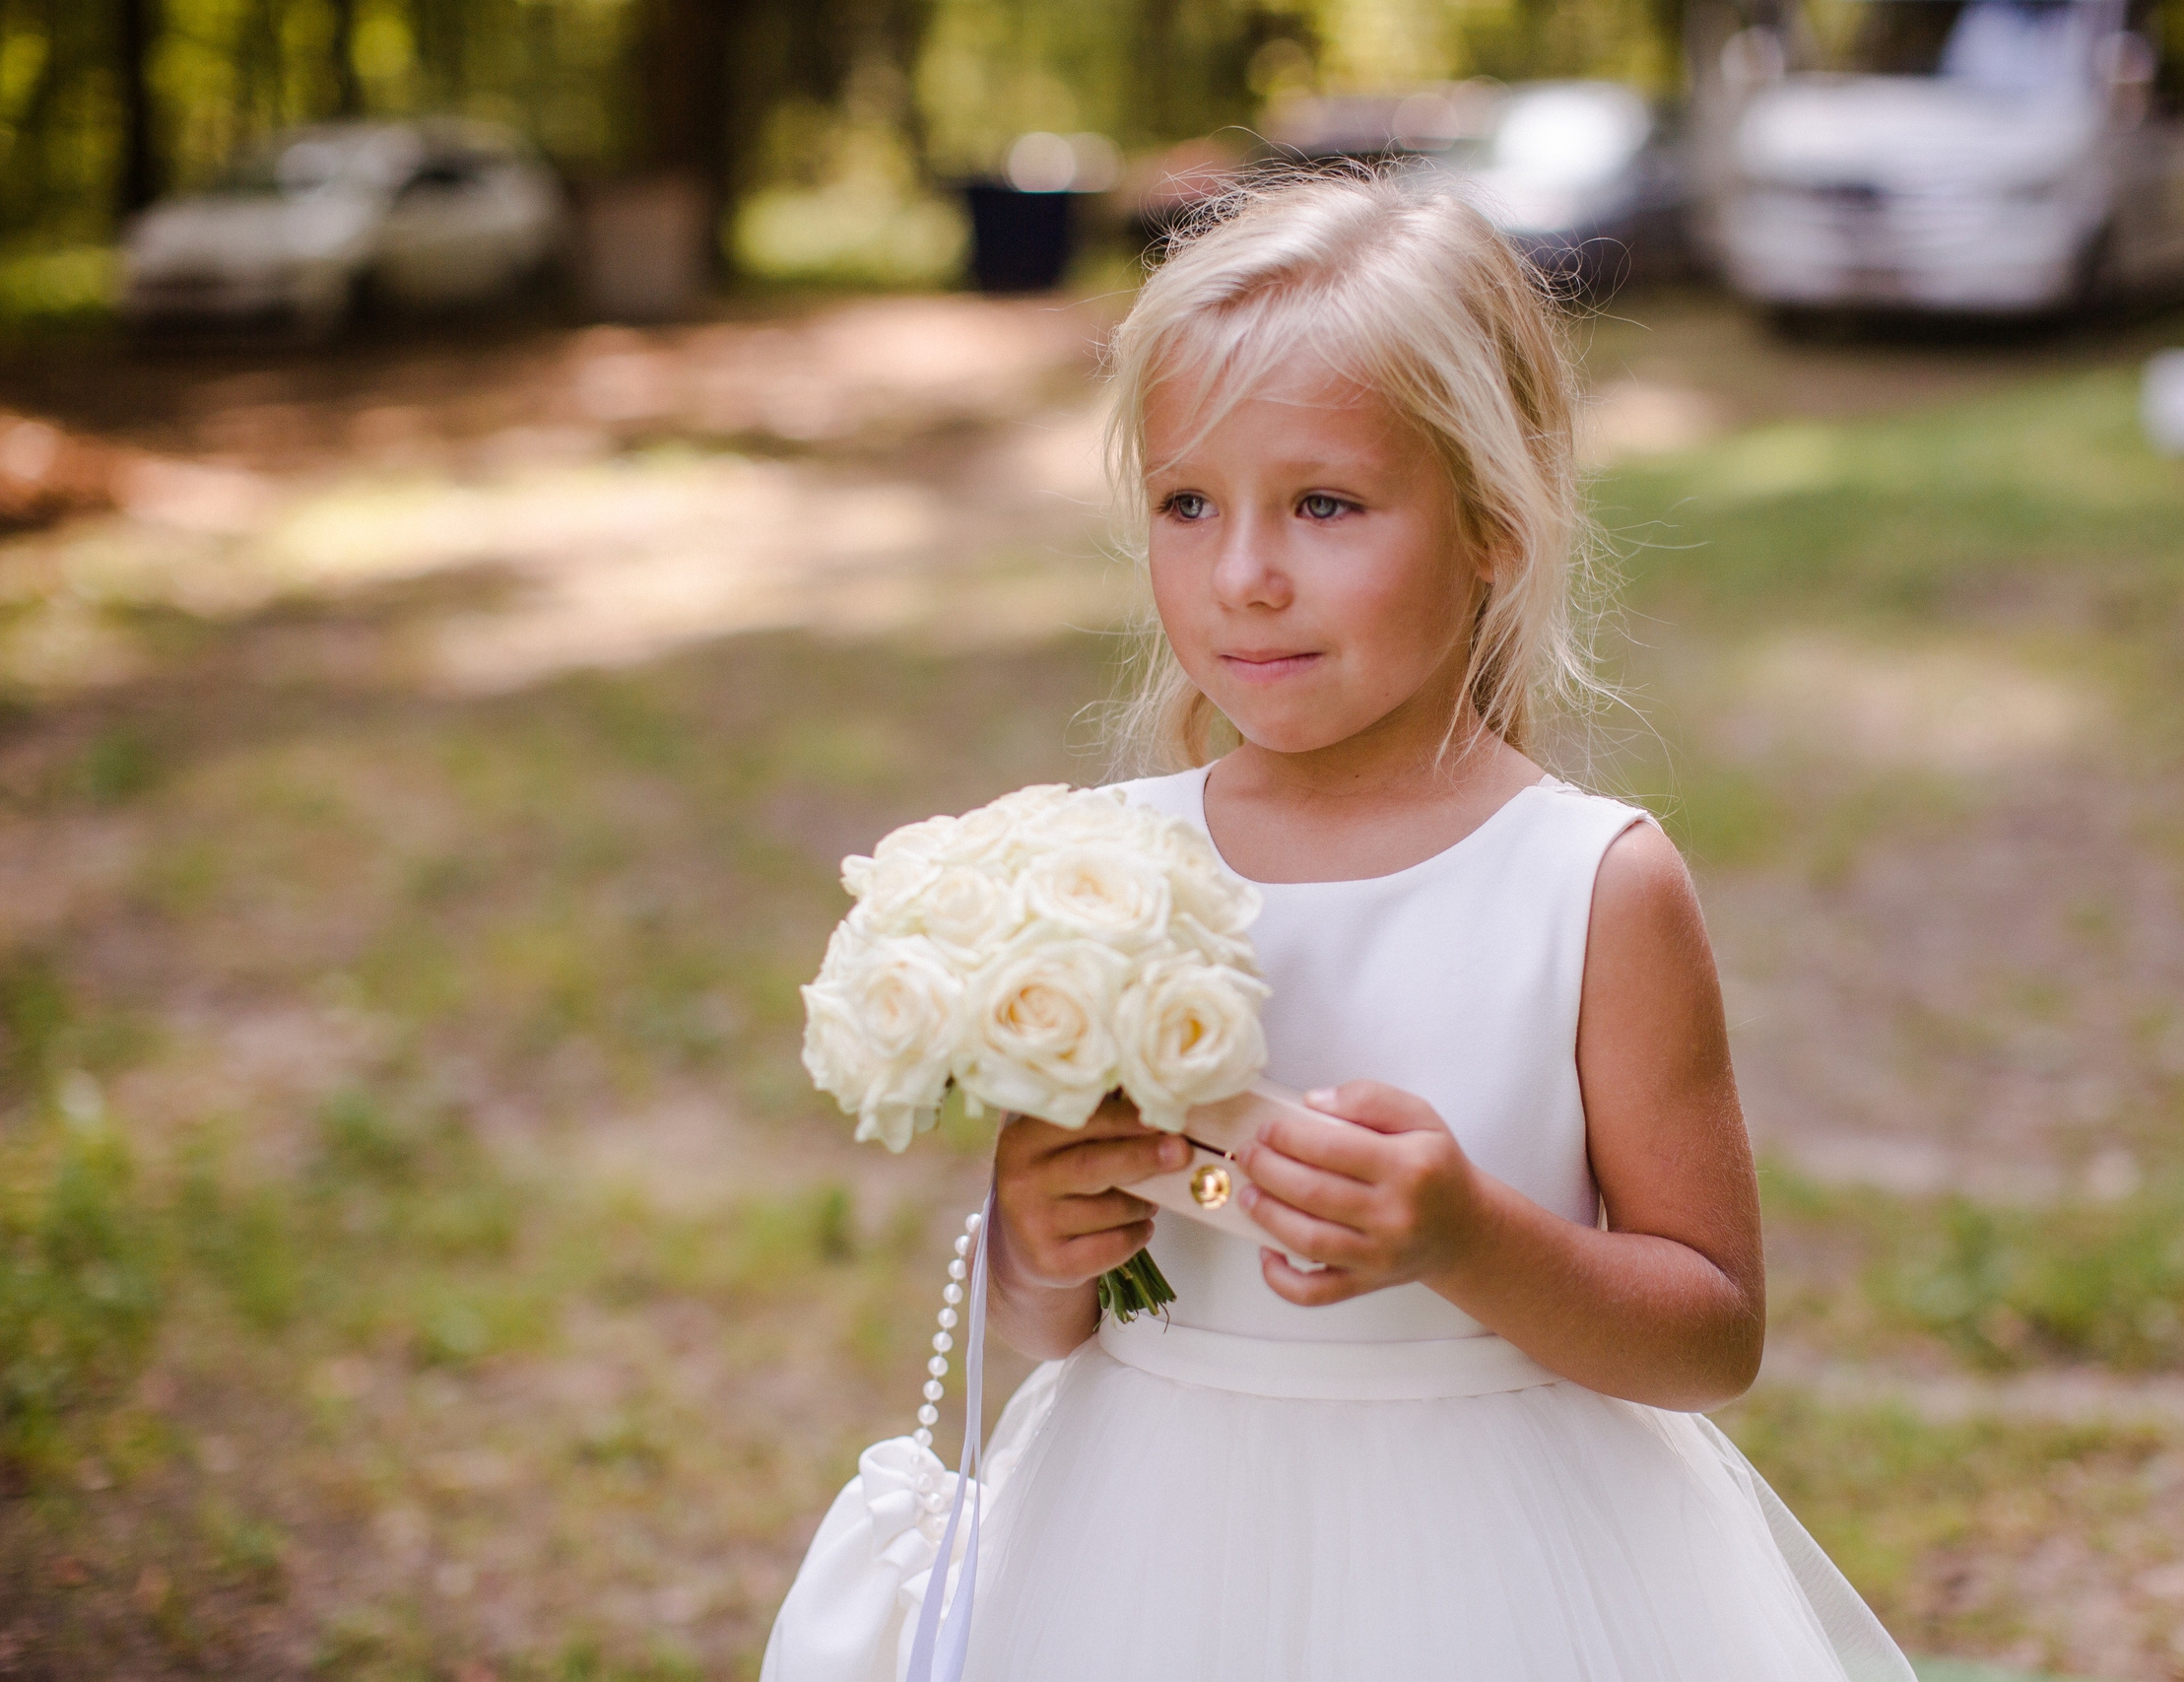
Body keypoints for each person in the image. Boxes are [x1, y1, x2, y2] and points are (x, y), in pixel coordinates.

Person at [770, 172, 1915, 1681]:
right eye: (1189, 503)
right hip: (1143, 1552)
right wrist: (1034, 1250)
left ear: (1493, 523)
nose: (1244, 574)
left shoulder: (1587, 883)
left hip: (1504, 1568)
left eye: (1324, 504)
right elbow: (1054, 1328)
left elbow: (1710, 1333)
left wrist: (1469, 1234)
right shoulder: (1105, 870)